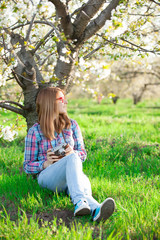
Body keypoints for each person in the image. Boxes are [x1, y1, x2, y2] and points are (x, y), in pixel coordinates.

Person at [23, 87, 115, 223]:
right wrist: (45, 163)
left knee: (74, 158)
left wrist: (73, 153)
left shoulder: (72, 125)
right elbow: (27, 166)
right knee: (72, 158)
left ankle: (96, 209)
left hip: (71, 176)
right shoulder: (35, 131)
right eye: (61, 99)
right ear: (50, 103)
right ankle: (79, 201)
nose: (65, 102)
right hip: (47, 176)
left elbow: (82, 153)